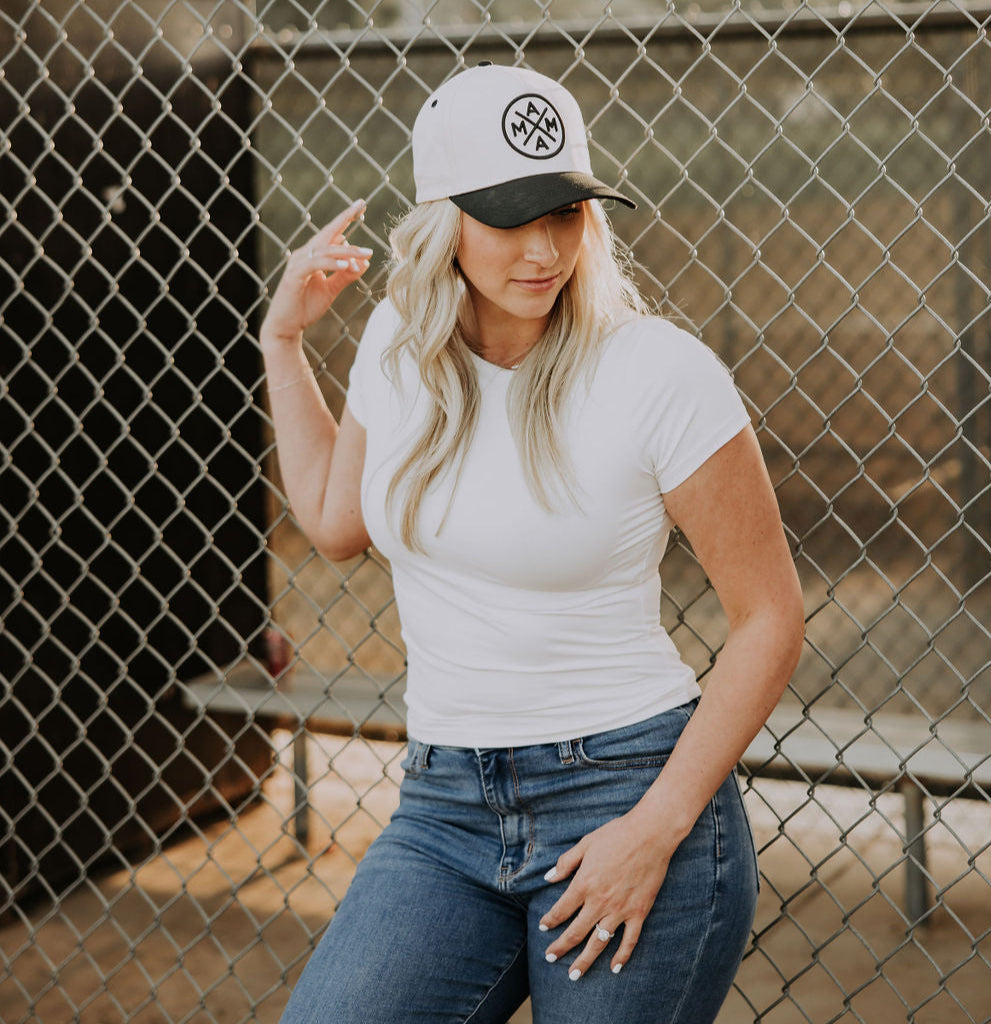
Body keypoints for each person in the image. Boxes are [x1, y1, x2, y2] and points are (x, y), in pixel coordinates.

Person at [260, 63, 804, 1024]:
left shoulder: (658, 372)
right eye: (513, 217)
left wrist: (656, 828)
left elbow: (770, 617)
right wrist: (284, 346)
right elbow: (336, 524)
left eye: (567, 212)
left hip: (629, 793)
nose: (547, 248)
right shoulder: (398, 342)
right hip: (443, 809)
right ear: (443, 223)